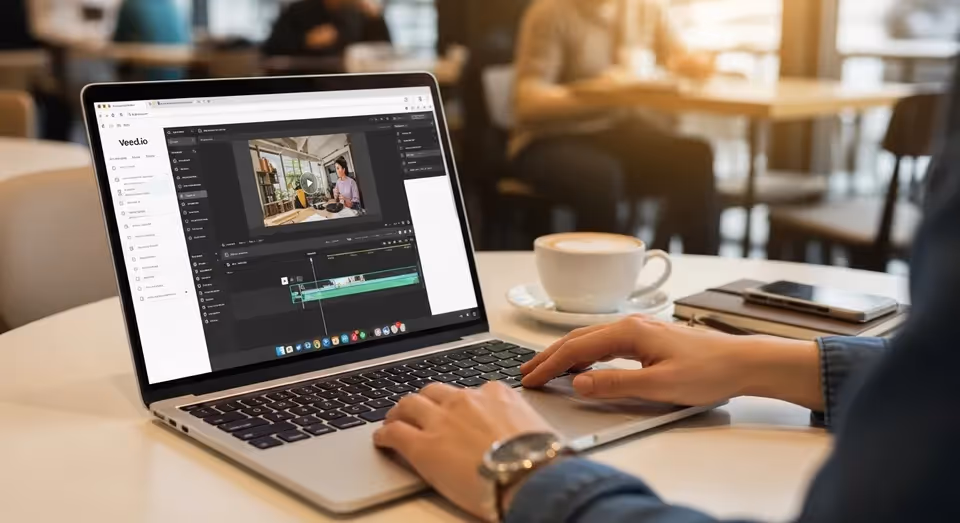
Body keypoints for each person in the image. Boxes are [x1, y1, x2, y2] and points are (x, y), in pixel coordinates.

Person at [373, 70, 960, 520]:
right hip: (553, 143)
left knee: (685, 156)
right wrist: (760, 359)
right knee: (604, 174)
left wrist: (524, 474)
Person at [510, 0, 719, 253]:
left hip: (616, 131)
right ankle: (597, 283)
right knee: (600, 175)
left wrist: (693, 65)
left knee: (694, 156)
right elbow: (528, 102)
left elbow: (678, 57)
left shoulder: (645, 8)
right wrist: (604, 93)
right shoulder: (550, 12)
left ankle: (700, 276)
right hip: (550, 138)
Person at [263, 0, 391, 58]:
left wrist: (376, 18)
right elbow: (271, 47)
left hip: (351, 82)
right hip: (307, 82)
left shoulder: (360, 12)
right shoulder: (298, 10)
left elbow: (385, 48)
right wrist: (306, 40)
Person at [113, 0, 192, 80]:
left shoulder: (130, 3)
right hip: (177, 75)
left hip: (147, 77)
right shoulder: (173, 5)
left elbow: (117, 41)